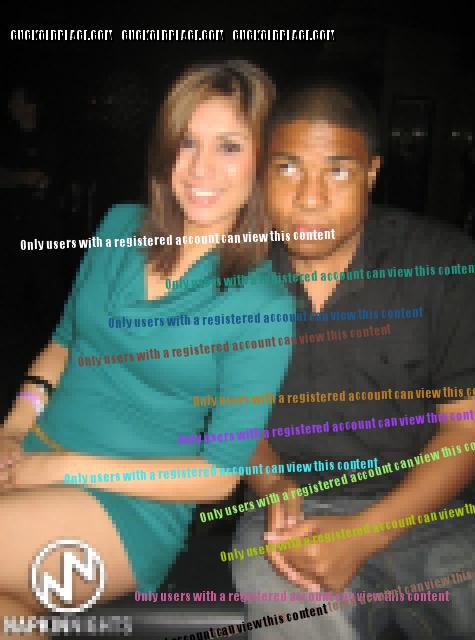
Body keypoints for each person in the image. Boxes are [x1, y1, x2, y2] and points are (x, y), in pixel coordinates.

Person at [0, 60, 294, 639]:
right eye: (187, 142)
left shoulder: (262, 303)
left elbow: (219, 475)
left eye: (229, 147)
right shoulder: (118, 226)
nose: (200, 168)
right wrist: (12, 428)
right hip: (32, 455)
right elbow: (63, 344)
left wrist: (60, 469)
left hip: (127, 510)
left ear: (262, 162)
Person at [232, 84, 475, 639]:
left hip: (433, 508)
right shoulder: (236, 275)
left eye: (337, 171)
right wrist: (272, 486)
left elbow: (468, 426)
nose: (310, 198)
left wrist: (367, 533)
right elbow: (235, 416)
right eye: (288, 168)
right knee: (291, 612)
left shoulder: (444, 264)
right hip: (297, 512)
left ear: (371, 173)